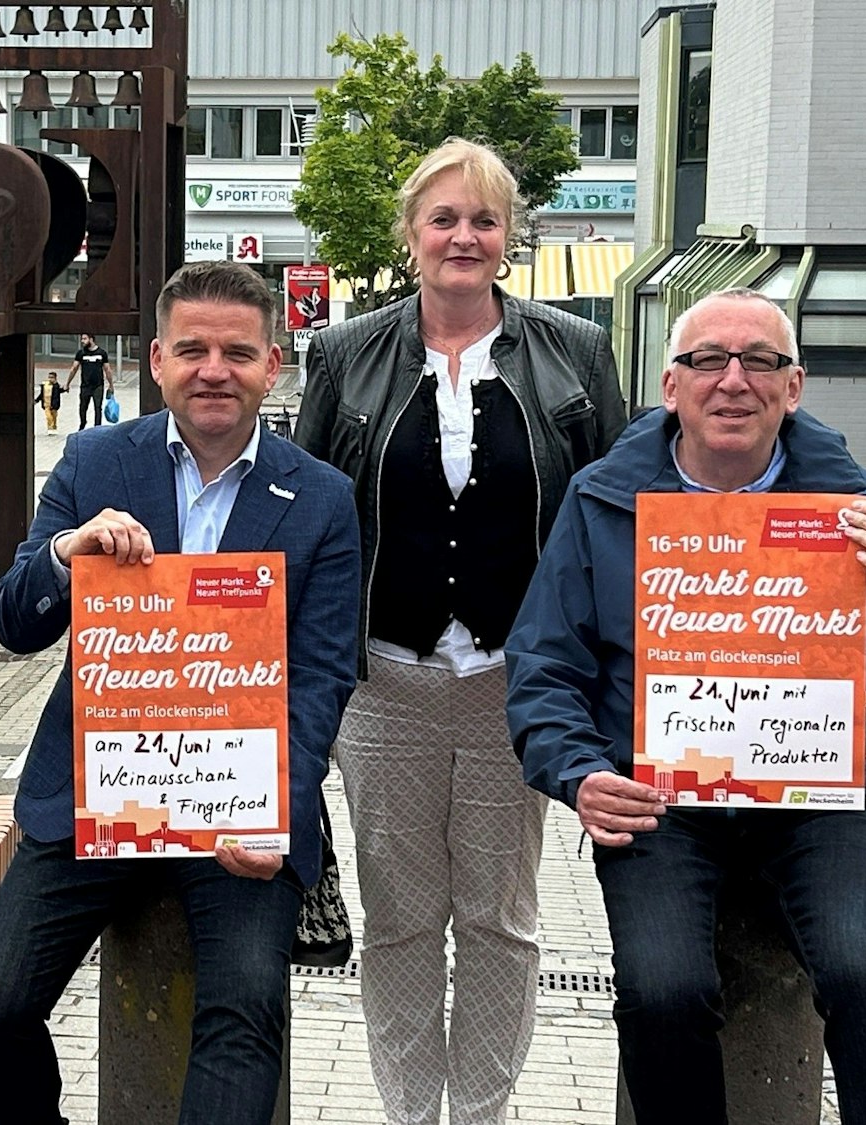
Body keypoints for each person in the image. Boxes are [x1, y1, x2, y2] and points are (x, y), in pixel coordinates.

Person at [505, 288, 866, 1125]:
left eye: (762, 361)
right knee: (662, 988)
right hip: (660, 797)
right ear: (670, 385)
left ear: (795, 387)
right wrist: (578, 773)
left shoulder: (851, 505)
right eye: (708, 359)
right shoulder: (604, 499)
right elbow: (543, 662)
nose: (734, 380)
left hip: (813, 798)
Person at [0, 261, 361, 1125]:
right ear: (158, 359)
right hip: (98, 791)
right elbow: (13, 624)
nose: (215, 369)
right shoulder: (97, 459)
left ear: (272, 365)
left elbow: (322, 676)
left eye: (238, 352)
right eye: (194, 350)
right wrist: (65, 555)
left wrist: (272, 809)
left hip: (239, 800)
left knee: (245, 1013)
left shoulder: (323, 498)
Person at [291, 137, 625, 1125]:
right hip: (379, 684)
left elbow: (607, 512)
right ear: (410, 236)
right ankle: (406, 1115)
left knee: (497, 919)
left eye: (482, 219)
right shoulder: (343, 353)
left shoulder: (576, 352)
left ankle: (477, 1115)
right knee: (398, 919)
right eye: (443, 219)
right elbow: (307, 512)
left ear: (508, 236)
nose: (463, 236)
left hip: (508, 688)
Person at [69, 332, 114, 429]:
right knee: (82, 407)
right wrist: (68, 383)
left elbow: (107, 370)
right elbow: (74, 368)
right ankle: (82, 424)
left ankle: (97, 427)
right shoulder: (81, 353)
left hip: (98, 385)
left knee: (98, 408)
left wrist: (111, 385)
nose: (82, 341)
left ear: (91, 339)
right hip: (85, 385)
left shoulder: (102, 353)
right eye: (82, 339)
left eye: (84, 339)